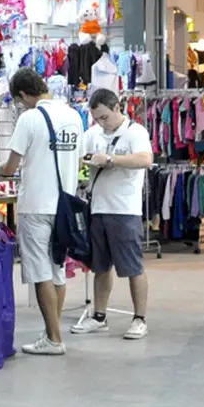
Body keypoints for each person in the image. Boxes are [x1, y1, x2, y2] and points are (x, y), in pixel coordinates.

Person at [0, 68, 86, 356]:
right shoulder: (74, 116)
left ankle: (54, 339)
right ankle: (52, 334)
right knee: (57, 270)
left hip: (36, 204)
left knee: (40, 273)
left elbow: (11, 166)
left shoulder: (30, 118)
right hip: (64, 206)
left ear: (24, 94)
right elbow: (79, 159)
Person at [71, 88, 154, 340]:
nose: (101, 123)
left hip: (124, 210)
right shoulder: (92, 134)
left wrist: (110, 160)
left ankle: (139, 319)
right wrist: (87, 164)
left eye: (105, 117)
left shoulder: (135, 132)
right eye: (97, 118)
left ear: (117, 107)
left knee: (133, 267)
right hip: (98, 208)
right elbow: (80, 160)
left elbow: (145, 159)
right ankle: (99, 316)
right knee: (100, 267)